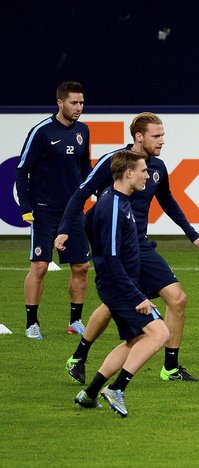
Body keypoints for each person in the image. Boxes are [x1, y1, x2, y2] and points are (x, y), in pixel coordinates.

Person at [57, 112, 199, 384]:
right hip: (116, 247)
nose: (162, 140)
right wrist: (63, 230)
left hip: (141, 245)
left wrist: (192, 234)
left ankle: (171, 367)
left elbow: (168, 201)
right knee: (111, 306)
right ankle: (78, 357)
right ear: (139, 137)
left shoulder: (158, 168)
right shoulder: (115, 162)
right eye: (157, 135)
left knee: (177, 299)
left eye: (163, 135)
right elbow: (81, 193)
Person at [73, 150, 171, 417]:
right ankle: (117, 389)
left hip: (117, 284)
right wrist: (136, 295)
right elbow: (113, 258)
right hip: (121, 286)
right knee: (160, 333)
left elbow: (87, 222)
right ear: (128, 173)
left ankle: (89, 393)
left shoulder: (112, 199)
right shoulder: (115, 207)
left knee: (135, 340)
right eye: (142, 171)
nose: (147, 176)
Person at [14, 81, 92, 339]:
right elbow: (22, 170)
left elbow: (84, 168)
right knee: (40, 266)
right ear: (60, 103)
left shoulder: (83, 130)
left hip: (73, 211)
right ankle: (31, 323)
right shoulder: (42, 131)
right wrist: (26, 207)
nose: (78, 107)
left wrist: (94, 192)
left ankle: (75, 321)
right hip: (45, 210)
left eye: (81, 102)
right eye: (73, 103)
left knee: (81, 266)